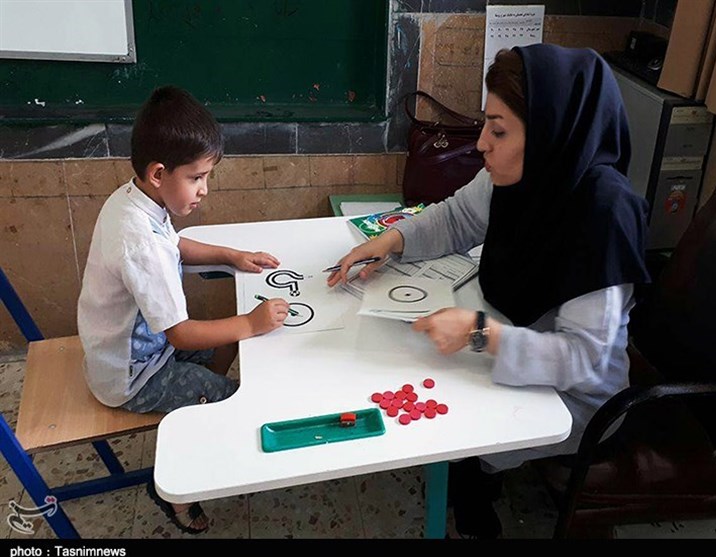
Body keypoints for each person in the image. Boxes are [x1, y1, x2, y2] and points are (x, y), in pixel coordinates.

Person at [326, 44, 651, 538]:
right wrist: (390, 241)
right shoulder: (523, 172)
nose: (481, 143)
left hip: (581, 396)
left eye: (498, 130)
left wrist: (481, 334)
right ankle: (474, 474)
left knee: (449, 426)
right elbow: (458, 216)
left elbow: (584, 358)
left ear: (547, 132)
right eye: (486, 124)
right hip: (513, 334)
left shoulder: (606, 215)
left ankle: (475, 479)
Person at [77, 85, 292, 535]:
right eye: (197, 178)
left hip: (138, 351)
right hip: (132, 377)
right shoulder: (139, 241)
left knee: (233, 342)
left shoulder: (136, 200)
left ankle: (201, 392)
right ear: (159, 173)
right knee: (230, 397)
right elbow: (180, 334)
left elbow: (176, 245)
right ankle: (173, 489)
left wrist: (231, 255)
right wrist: (252, 323)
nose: (204, 190)